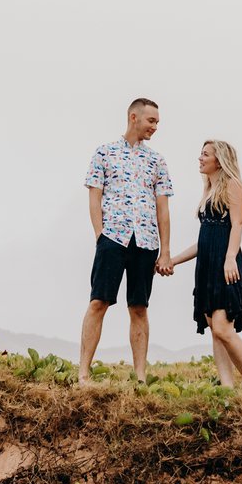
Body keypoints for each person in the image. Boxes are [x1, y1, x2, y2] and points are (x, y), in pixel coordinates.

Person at [78, 98, 174, 383]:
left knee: (139, 307)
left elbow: (163, 209)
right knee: (99, 302)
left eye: (157, 122)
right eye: (151, 121)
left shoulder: (157, 160)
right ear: (134, 117)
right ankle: (83, 372)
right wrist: (101, 236)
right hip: (113, 238)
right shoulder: (104, 153)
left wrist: (165, 250)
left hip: (146, 242)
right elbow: (94, 198)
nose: (155, 127)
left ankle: (140, 376)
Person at [169, 139, 242, 388]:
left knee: (223, 328)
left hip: (225, 264)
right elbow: (203, 240)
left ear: (219, 159)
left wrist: (230, 258)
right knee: (214, 330)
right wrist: (174, 260)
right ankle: (227, 386)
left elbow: (238, 224)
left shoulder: (233, 185)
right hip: (207, 266)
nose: (200, 158)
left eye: (205, 154)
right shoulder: (208, 190)